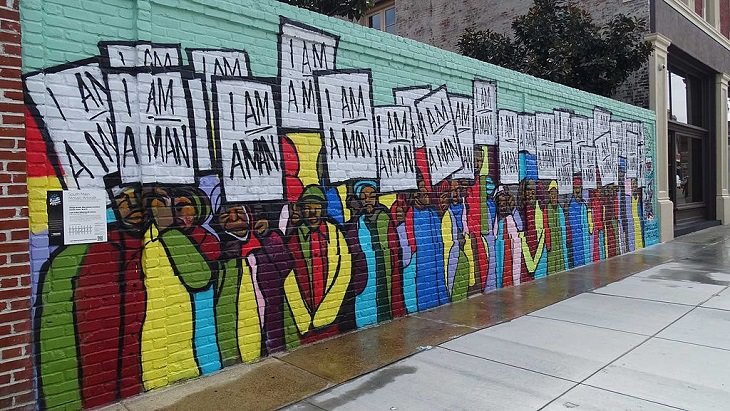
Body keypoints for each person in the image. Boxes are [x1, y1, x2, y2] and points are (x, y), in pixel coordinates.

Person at [284, 185, 353, 345]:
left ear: (323, 209)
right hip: (302, 312)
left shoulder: (335, 234)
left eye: (317, 208)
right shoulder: (293, 238)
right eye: (308, 208)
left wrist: (329, 309)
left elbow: (344, 269)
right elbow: (289, 277)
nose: (313, 213)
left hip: (331, 313)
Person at [412, 174, 448, 309]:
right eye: (422, 188)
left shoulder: (433, 213)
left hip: (437, 269)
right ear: (415, 193)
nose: (426, 191)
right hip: (421, 271)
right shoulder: (412, 216)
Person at [493, 186, 522, 288]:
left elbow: (520, 227)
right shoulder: (495, 220)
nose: (502, 205)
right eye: (500, 202)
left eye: (504, 202)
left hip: (510, 252)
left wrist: (513, 210)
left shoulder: (511, 218)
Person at [545, 181, 568, 275]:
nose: (553, 196)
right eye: (551, 193)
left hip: (560, 243)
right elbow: (546, 226)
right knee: (551, 261)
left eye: (555, 193)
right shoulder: (547, 209)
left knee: (560, 261)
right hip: (551, 243)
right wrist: (548, 243)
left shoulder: (560, 209)